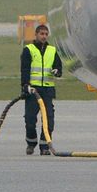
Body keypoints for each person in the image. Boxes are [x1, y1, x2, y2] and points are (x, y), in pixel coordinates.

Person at [20, 24, 63, 155]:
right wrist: (25, 85)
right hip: (33, 91)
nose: (44, 36)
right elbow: (25, 69)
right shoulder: (29, 50)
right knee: (30, 119)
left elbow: (58, 66)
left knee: (49, 119)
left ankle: (44, 146)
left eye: (46, 34)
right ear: (36, 34)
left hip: (47, 90)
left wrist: (57, 71)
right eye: (41, 34)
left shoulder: (52, 50)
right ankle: (31, 143)